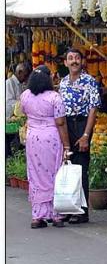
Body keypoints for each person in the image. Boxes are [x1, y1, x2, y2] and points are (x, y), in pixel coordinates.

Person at [20, 67, 72, 228]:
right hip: (51, 138)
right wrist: (67, 145)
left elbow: (24, 113)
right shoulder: (54, 97)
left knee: (36, 175)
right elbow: (61, 122)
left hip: (33, 139)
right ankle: (56, 215)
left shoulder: (25, 96)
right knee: (54, 174)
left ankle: (38, 216)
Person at [58, 48, 101, 224]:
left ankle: (81, 211)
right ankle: (68, 207)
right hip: (66, 125)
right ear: (65, 63)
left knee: (81, 168)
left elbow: (93, 109)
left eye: (77, 58)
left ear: (82, 61)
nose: (74, 61)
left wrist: (86, 135)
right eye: (70, 58)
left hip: (82, 124)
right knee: (67, 166)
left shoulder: (90, 81)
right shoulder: (63, 82)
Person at [6, 63, 30, 157]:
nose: (25, 78)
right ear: (19, 72)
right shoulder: (9, 83)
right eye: (25, 75)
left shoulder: (19, 84)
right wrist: (22, 104)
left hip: (17, 120)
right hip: (9, 119)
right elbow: (8, 103)